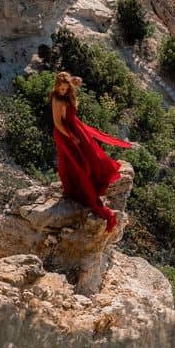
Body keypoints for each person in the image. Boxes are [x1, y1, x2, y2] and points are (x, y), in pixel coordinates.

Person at [50, 70, 132, 232]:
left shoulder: (67, 92)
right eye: (62, 89)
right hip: (65, 133)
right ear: (57, 86)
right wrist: (71, 137)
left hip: (75, 128)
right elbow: (57, 123)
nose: (63, 91)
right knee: (74, 163)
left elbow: (77, 79)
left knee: (92, 155)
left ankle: (94, 181)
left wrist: (73, 81)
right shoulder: (56, 99)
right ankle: (76, 189)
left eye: (66, 89)